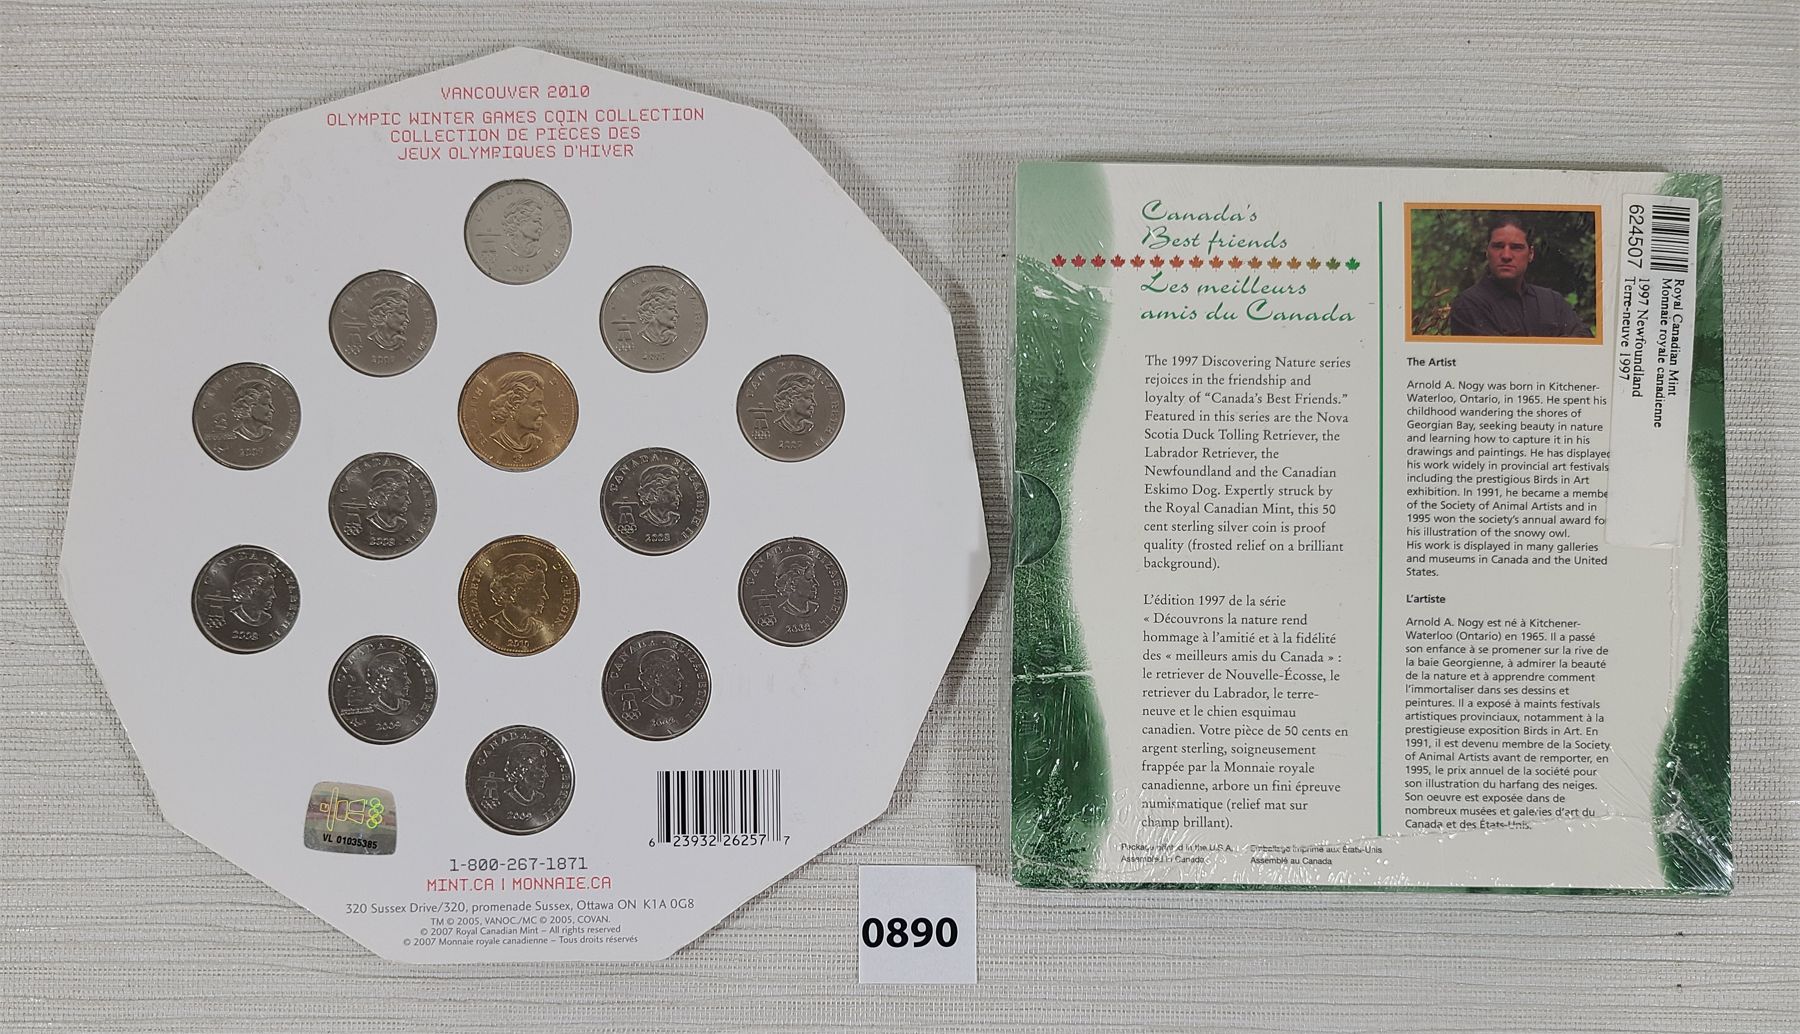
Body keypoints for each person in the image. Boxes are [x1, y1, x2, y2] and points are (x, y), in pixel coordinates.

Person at [1447, 214, 1589, 338]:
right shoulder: (1469, 304)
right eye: (1498, 246)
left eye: (1516, 247)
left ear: (1531, 254)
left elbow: (1585, 340)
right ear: (1487, 251)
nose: (1506, 255)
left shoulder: (1552, 301)